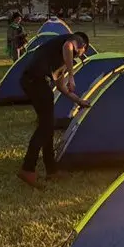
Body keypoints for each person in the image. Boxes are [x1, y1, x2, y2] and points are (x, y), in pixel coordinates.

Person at [18, 32, 91, 188]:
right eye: (82, 53)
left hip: (31, 82)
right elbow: (68, 46)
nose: (79, 56)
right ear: (83, 46)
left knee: (48, 126)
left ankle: (51, 170)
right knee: (46, 126)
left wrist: (79, 101)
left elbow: (60, 86)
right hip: (37, 81)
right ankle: (27, 168)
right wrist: (72, 75)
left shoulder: (59, 58)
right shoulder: (73, 40)